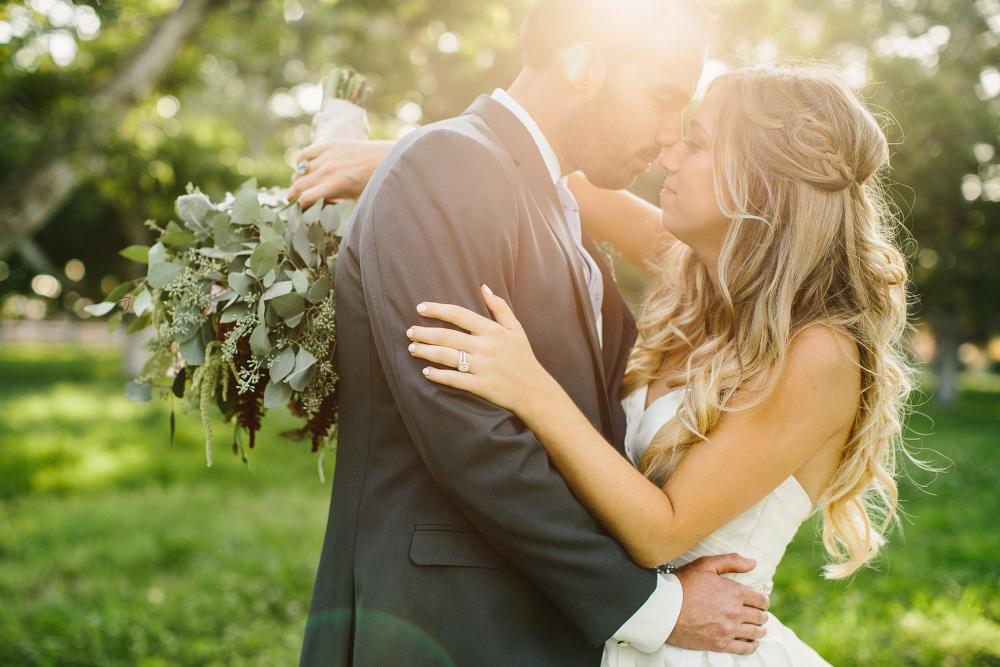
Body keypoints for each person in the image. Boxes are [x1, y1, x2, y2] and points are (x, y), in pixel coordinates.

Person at [296, 1, 774, 665]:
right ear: (583, 61)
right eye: (664, 99)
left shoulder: (556, 207)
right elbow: (473, 435)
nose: (670, 137)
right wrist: (654, 605)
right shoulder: (445, 165)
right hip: (435, 629)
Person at [402, 64, 912, 665]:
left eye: (697, 143)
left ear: (763, 181)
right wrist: (398, 162)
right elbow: (543, 176)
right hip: (616, 634)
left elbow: (661, 532)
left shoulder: (817, 352)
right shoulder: (698, 279)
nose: (670, 154)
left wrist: (531, 389)